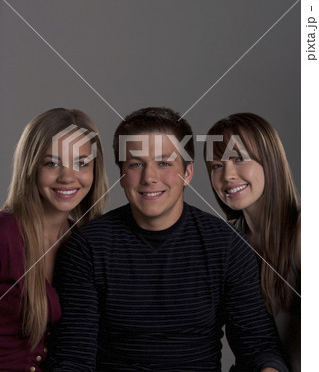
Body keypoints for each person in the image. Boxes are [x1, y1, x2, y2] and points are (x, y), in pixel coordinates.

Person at [46, 107, 288, 372]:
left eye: (164, 163)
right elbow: (73, 357)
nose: (150, 178)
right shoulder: (88, 246)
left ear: (188, 173)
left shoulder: (227, 245)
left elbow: (258, 346)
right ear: (122, 175)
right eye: (136, 164)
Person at [0, 108, 108, 372]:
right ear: (31, 167)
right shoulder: (4, 234)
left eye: (82, 163)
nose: (67, 177)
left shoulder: (83, 242)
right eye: (52, 163)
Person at [204, 112, 300, 372]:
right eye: (216, 165)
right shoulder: (226, 243)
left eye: (240, 158)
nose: (227, 175)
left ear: (270, 161)